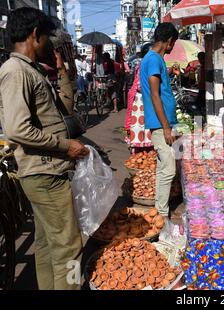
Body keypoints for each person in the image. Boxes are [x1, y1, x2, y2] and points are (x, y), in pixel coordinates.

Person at [0, 7, 89, 290]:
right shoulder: (14, 71)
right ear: (35, 35)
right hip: (45, 174)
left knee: (49, 245)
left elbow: (65, 109)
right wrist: (66, 145)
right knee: (71, 247)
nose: (51, 44)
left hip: (47, 173)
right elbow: (17, 129)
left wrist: (61, 70)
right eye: (48, 38)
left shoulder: (30, 70)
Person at [140, 22, 179, 219]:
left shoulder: (153, 59)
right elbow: (155, 95)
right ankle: (161, 215)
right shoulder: (154, 59)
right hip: (159, 123)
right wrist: (165, 127)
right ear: (170, 41)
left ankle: (159, 209)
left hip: (162, 122)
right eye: (173, 44)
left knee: (164, 167)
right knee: (168, 170)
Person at [125, 42, 153, 151]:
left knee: (140, 124)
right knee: (141, 124)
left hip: (141, 97)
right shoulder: (145, 66)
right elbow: (140, 86)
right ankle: (141, 147)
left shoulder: (142, 65)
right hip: (141, 99)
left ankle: (141, 147)